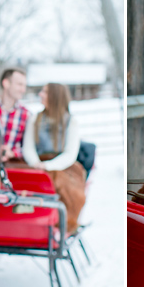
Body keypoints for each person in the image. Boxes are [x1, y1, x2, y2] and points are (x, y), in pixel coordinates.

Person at [22, 83, 86, 234]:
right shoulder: (34, 119)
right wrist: (36, 163)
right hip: (37, 162)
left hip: (63, 164)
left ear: (55, 96)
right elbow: (28, 147)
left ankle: (64, 225)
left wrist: (49, 166)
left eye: (44, 92)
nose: (40, 94)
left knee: (68, 188)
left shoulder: (71, 122)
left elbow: (70, 154)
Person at [0, 67, 29, 162]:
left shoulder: (26, 114)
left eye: (24, 85)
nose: (23, 90)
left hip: (14, 167)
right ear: (6, 83)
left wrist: (12, 153)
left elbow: (29, 148)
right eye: (20, 84)